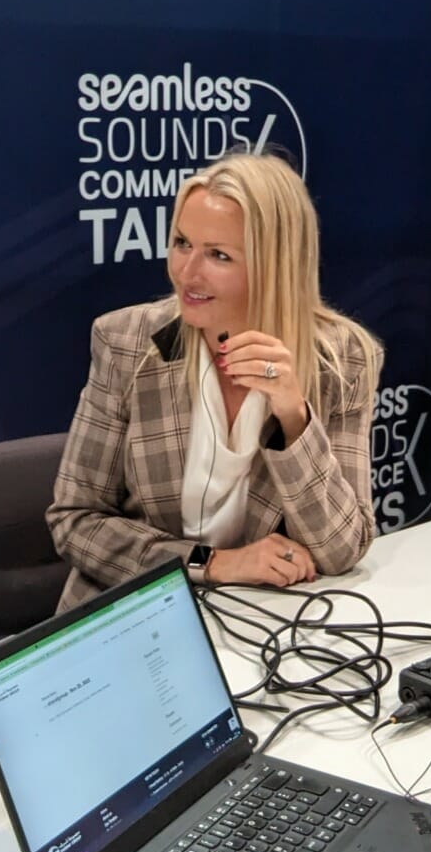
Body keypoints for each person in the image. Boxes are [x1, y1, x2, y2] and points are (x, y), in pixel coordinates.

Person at [49, 151, 384, 611]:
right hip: (135, 616)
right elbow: (75, 521)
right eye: (183, 243)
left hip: (265, 619)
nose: (186, 273)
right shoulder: (125, 342)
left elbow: (342, 549)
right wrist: (213, 563)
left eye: (219, 255)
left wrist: (293, 414)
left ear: (275, 264)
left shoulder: (342, 359)